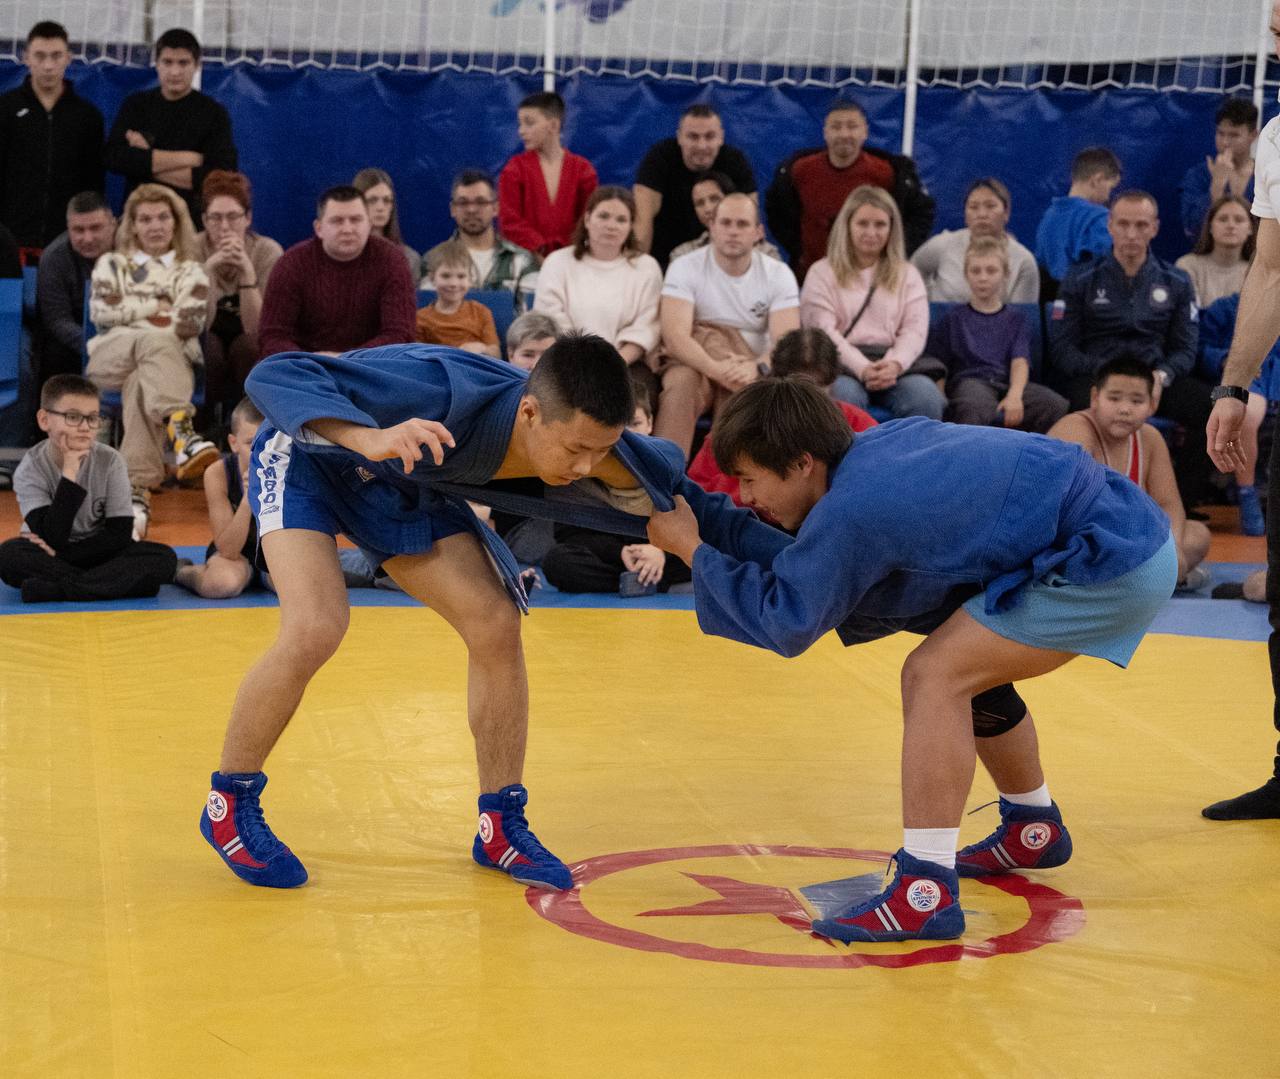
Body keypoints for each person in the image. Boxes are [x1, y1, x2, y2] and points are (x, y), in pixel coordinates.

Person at [645, 378, 1176, 942]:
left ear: (801, 464)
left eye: (750, 480)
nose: (747, 497)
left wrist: (690, 549)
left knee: (935, 676)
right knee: (966, 663)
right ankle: (1031, 825)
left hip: (1110, 556)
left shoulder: (854, 510)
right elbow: (809, 565)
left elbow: (787, 619)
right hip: (1125, 531)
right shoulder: (870, 452)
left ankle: (924, 892)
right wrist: (705, 518)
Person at [200, 335, 655, 892]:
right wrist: (370, 437)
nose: (587, 467)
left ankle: (501, 826)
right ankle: (229, 805)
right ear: (531, 413)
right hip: (310, 455)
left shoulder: (586, 432)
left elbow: (682, 493)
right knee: (317, 623)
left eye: (599, 452)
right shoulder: (437, 386)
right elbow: (274, 374)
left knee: (494, 621)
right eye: (575, 450)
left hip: (399, 471)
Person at [1051, 191, 1209, 511]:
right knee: (1077, 412)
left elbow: (1186, 349)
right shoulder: (1080, 279)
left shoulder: (1176, 281)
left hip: (1153, 377)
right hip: (1097, 377)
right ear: (1110, 226)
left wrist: (1161, 376)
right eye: (1123, 224)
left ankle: (1177, 505)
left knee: (1211, 410)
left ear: (1155, 228)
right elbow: (1062, 347)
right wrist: (1104, 378)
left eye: (1141, 225)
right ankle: (1091, 504)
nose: (1131, 234)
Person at [85, 183, 215, 537]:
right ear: (132, 225)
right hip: (110, 359)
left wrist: (130, 313)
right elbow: (101, 311)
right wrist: (156, 308)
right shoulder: (112, 264)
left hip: (164, 369)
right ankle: (182, 432)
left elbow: (191, 321)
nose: (155, 226)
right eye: (145, 219)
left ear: (175, 223)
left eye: (162, 217)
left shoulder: (193, 270)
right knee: (157, 343)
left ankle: (135, 496)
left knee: (142, 381)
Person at [0, 374, 177, 602]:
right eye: (72, 417)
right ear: (44, 420)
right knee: (10, 555)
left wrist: (63, 556)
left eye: (92, 418)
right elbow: (53, 537)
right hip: (47, 553)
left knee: (163, 558)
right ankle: (110, 585)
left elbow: (119, 535)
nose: (85, 427)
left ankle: (59, 589)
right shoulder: (30, 469)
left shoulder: (111, 460)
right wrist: (70, 473)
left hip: (96, 552)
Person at [656, 193, 801, 457]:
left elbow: (785, 340)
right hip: (694, 363)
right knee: (680, 389)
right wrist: (717, 369)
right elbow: (675, 336)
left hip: (751, 365)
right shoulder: (684, 267)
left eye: (742, 224)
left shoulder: (778, 274)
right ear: (711, 227)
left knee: (745, 395)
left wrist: (755, 366)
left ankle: (727, 489)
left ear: (758, 232)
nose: (733, 231)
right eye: (725, 223)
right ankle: (662, 484)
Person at [1048, 356, 1210, 590]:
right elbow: (1066, 510)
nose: (1124, 409)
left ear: (1152, 405)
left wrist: (1173, 549)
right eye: (1114, 398)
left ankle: (1140, 582)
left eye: (1136, 401)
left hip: (1127, 543)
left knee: (1196, 536)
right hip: (1078, 541)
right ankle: (1151, 583)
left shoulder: (1149, 438)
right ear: (1095, 397)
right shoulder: (1074, 430)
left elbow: (1169, 503)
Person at [799, 185, 945, 420]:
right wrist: (862, 368)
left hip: (895, 365)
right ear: (847, 225)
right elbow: (823, 332)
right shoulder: (821, 272)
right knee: (843, 397)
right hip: (840, 365)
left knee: (926, 397)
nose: (871, 232)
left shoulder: (907, 274)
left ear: (891, 228)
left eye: (880, 225)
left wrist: (894, 364)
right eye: (862, 223)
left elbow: (914, 331)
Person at [687, 327, 876, 507]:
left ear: (833, 383)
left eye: (814, 391)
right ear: (774, 380)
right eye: (796, 391)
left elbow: (875, 480)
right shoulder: (741, 424)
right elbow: (700, 492)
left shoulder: (858, 424)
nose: (804, 403)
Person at [541, 383, 692, 594]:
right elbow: (570, 534)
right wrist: (619, 552)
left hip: (661, 554)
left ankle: (643, 578)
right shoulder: (584, 468)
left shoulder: (667, 465)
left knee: (702, 555)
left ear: (649, 423)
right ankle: (634, 582)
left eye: (635, 424)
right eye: (619, 427)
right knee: (558, 561)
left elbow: (690, 526)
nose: (628, 436)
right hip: (612, 557)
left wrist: (660, 552)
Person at [766, 98, 935, 280]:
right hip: (810, 278)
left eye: (852, 126)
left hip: (870, 282)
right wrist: (799, 251)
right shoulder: (799, 170)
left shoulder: (888, 174)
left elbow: (921, 214)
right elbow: (776, 211)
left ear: (865, 132)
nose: (844, 134)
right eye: (836, 127)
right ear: (825, 132)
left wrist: (892, 254)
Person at [258, 185, 415, 359]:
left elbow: (400, 334)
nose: (347, 229)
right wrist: (311, 361)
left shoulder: (392, 261)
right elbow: (272, 336)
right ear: (319, 228)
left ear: (369, 224)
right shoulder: (291, 264)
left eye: (356, 220)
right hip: (303, 369)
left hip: (371, 368)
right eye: (337, 221)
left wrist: (346, 360)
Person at [932, 236, 1067, 432]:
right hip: (971, 382)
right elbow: (939, 366)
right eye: (975, 271)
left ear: (1005, 274)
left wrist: (1014, 395)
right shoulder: (953, 319)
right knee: (974, 406)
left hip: (1008, 383)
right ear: (966, 274)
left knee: (1054, 404)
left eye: (991, 270)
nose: (983, 277)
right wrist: (941, 399)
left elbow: (1020, 361)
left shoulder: (1017, 319)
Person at [104, 28, 237, 223]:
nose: (175, 71)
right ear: (156, 64)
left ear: (197, 65)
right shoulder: (136, 105)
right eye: (167, 62)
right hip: (140, 222)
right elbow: (114, 158)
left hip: (191, 224)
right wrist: (189, 158)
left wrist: (146, 159)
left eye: (183, 63)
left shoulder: (213, 113)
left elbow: (219, 176)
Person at [0, 21, 104, 249]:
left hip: (67, 242)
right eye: (40, 56)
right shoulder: (6, 108)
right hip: (10, 240)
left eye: (56, 56)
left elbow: (93, 183)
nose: (48, 65)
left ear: (68, 58)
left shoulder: (87, 115)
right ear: (26, 57)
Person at [534, 186, 663, 369]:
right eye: (603, 216)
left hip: (626, 365)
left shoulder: (647, 267)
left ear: (630, 226)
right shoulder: (557, 262)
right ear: (587, 219)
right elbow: (548, 319)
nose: (611, 226)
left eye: (621, 220)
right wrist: (584, 360)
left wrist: (614, 363)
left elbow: (647, 326)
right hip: (566, 361)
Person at [194, 170, 283, 414]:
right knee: (206, 346)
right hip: (206, 330)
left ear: (248, 218)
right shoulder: (192, 247)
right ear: (204, 220)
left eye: (233, 217)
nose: (224, 227)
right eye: (215, 218)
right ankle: (203, 428)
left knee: (249, 347)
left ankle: (247, 424)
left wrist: (246, 271)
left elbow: (259, 329)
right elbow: (195, 322)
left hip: (246, 334)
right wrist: (208, 268)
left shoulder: (267, 251)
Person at [633, 106, 759, 268]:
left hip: (723, 262)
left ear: (721, 137)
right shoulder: (659, 159)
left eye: (709, 137)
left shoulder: (735, 162)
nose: (701, 145)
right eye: (693, 137)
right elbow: (642, 220)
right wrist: (637, 270)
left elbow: (749, 218)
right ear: (679, 138)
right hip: (665, 259)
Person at [1198, 291, 1278, 535]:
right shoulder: (1225, 307)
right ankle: (1247, 492)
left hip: (1275, 378)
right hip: (1246, 377)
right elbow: (1200, 347)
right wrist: (1224, 360)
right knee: (1246, 413)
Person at [175, 396, 270, 599]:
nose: (259, 453)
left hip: (275, 552)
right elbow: (228, 550)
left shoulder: (285, 467)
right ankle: (183, 572)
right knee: (220, 584)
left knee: (308, 586)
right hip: (235, 554)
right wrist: (248, 501)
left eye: (266, 442)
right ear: (233, 443)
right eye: (250, 443)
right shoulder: (217, 473)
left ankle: (266, 576)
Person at [498, 92, 597, 258]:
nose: (521, 131)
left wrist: (566, 254)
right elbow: (509, 220)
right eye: (520, 124)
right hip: (524, 259)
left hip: (571, 258)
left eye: (529, 123)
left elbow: (588, 218)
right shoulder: (514, 169)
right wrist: (539, 248)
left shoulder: (583, 170)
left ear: (553, 125)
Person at [910, 178, 1038, 303]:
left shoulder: (1024, 261)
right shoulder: (943, 245)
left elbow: (1021, 318)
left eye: (990, 206)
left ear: (1006, 213)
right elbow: (912, 270)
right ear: (965, 214)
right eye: (974, 207)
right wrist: (926, 304)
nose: (982, 214)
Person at [422, 169, 538, 298]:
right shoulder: (432, 261)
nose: (472, 209)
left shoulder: (522, 261)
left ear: (495, 208)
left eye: (481, 202)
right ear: (453, 209)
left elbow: (530, 315)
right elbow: (429, 313)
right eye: (463, 203)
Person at [35, 191, 114, 381]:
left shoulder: (133, 247)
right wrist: (96, 344)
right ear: (68, 229)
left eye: (96, 228)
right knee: (55, 353)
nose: (87, 238)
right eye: (78, 230)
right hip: (76, 334)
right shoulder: (53, 258)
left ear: (113, 224)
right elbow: (57, 320)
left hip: (127, 329)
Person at [1034, 147, 1122, 299]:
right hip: (1087, 305)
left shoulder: (1048, 216)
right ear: (1097, 180)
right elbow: (1111, 267)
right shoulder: (1099, 219)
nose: (1109, 196)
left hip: (1049, 305)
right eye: (1110, 187)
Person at [1179, 97, 1258, 244]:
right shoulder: (1198, 175)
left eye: (1234, 135)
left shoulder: (1267, 176)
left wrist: (1238, 199)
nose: (1225, 142)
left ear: (1253, 135)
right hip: (1208, 258)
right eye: (1221, 133)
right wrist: (1217, 187)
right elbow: (1191, 229)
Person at [668, 170, 782, 263]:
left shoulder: (767, 253)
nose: (708, 208)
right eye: (700, 203)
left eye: (714, 199)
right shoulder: (682, 254)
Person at [415, 240, 500, 357]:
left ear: (470, 279)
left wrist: (483, 348)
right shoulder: (420, 318)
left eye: (461, 276)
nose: (454, 283)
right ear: (432, 278)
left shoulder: (481, 312)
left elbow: (497, 355)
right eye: (446, 276)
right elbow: (418, 357)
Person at [1175, 194, 1254, 308]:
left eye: (1239, 220)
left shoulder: (1257, 271)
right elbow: (1189, 316)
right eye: (1223, 219)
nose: (1231, 225)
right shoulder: (1188, 265)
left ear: (1250, 228)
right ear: (1210, 227)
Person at [352, 167, 419, 277]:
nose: (380, 207)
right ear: (356, 203)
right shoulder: (342, 254)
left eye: (387, 200)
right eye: (372, 200)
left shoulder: (410, 259)